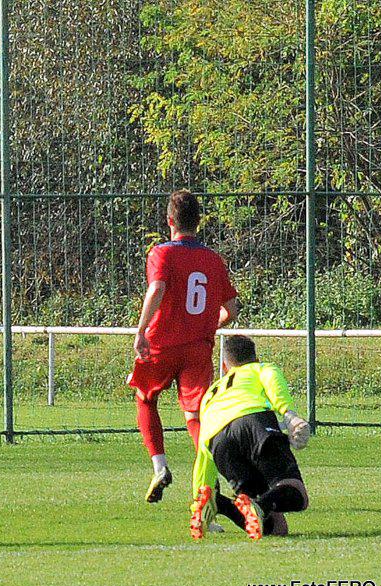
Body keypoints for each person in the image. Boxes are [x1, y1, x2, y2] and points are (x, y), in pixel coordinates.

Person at [128, 190, 239, 503]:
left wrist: (141, 331)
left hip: (162, 343)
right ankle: (210, 480)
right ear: (198, 222)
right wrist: (208, 324)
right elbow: (231, 310)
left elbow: (157, 289)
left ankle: (160, 467)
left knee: (145, 397)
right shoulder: (213, 259)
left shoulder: (161, 253)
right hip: (198, 348)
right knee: (195, 415)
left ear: (169, 221)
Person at [189, 335, 311, 540]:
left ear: (225, 367)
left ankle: (219, 503)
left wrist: (200, 494)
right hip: (253, 423)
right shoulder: (260, 368)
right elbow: (272, 380)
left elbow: (203, 447)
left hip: (218, 443)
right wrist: (288, 414)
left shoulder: (210, 394)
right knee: (297, 495)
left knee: (277, 528)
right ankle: (259, 506)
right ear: (255, 358)